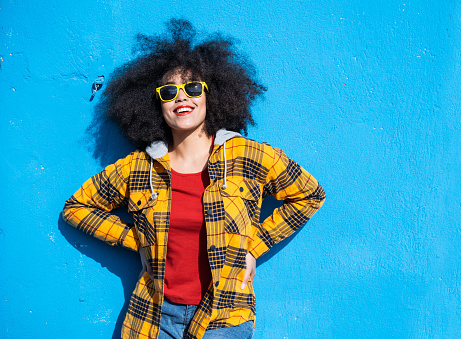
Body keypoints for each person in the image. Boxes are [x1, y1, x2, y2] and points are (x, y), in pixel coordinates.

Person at [62, 19, 325, 339]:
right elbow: (76, 207)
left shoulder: (246, 156)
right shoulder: (138, 168)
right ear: (155, 103)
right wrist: (138, 239)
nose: (181, 97)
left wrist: (255, 246)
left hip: (224, 313)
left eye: (193, 87)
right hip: (153, 316)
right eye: (169, 91)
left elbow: (309, 194)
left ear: (210, 94)